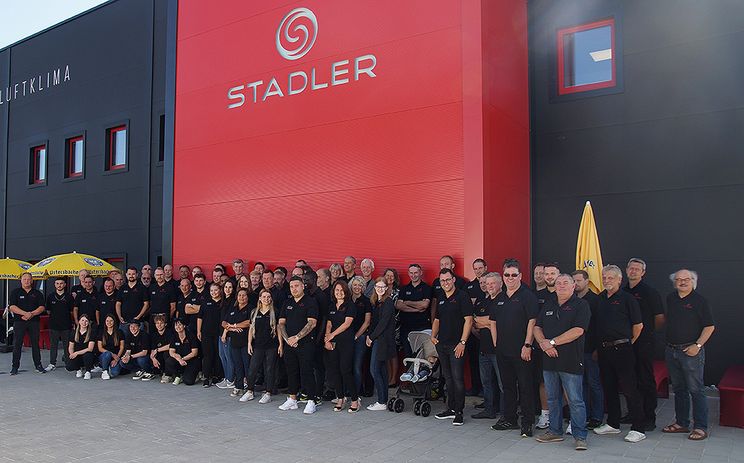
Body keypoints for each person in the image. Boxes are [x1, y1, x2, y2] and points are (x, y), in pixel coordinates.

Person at [533, 274, 591, 451]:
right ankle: (555, 431)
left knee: (575, 399)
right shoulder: (549, 304)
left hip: (570, 360)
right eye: (558, 283)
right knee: (552, 398)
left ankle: (580, 436)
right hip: (549, 360)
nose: (561, 285)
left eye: (566, 282)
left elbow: (578, 330)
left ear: (574, 286)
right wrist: (544, 343)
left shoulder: (581, 305)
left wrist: (552, 342)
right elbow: (537, 327)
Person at [592, 265, 646, 443]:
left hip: (623, 349)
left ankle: (638, 428)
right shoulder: (600, 299)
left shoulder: (627, 299)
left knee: (630, 389)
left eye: (611, 278)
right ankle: (613, 424)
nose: (607, 280)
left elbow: (638, 326)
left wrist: (628, 343)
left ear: (619, 280)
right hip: (604, 350)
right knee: (609, 387)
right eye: (604, 277)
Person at [662, 269, 715, 441]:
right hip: (672, 350)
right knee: (679, 389)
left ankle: (700, 427)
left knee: (696, 390)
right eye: (678, 279)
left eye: (686, 279)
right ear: (674, 282)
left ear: (693, 281)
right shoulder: (671, 298)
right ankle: (681, 423)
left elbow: (709, 327)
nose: (682, 282)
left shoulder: (700, 301)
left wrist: (697, 345)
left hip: (690, 352)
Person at [490, 260, 538, 437]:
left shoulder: (527, 296)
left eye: (513, 275)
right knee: (508, 387)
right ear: (503, 277)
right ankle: (509, 419)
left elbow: (532, 322)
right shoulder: (500, 297)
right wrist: (496, 344)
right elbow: (492, 322)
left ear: (520, 276)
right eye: (507, 275)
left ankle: (527, 423)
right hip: (503, 351)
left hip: (522, 351)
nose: (510, 278)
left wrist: (527, 345)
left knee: (525, 387)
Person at [622, 258, 665, 431]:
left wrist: (647, 334)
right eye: (631, 268)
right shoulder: (622, 291)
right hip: (625, 343)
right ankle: (633, 413)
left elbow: (659, 318)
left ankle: (649, 417)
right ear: (626, 270)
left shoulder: (649, 292)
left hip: (643, 343)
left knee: (645, 380)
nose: (633, 271)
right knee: (629, 380)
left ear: (643, 272)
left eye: (637, 269)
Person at [431, 268, 473, 426]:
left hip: (457, 345)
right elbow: (437, 320)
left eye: (448, 280)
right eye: (442, 281)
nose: (445, 283)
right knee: (447, 378)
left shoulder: (462, 297)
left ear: (453, 280)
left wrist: (462, 342)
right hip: (442, 345)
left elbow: (468, 321)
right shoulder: (441, 297)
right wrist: (433, 336)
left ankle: (459, 412)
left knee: (457, 379)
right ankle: (451, 408)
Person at [277, 276, 319, 414]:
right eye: (291, 286)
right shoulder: (287, 302)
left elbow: (312, 323)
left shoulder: (310, 302)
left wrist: (297, 337)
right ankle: (292, 399)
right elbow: (281, 323)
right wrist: (288, 339)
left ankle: (311, 401)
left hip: (306, 343)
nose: (294, 289)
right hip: (290, 344)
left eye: (296, 286)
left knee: (306, 372)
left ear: (303, 286)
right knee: (291, 371)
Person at [572, 270, 603, 429]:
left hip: (590, 349)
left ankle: (597, 417)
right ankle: (584, 415)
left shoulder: (595, 300)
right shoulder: (571, 300)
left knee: (594, 384)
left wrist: (598, 348)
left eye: (578, 280)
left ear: (587, 281)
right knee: (580, 385)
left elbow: (600, 326)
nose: (576, 284)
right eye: (574, 281)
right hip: (575, 351)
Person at [241, 289, 282, 403]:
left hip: (272, 346)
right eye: (264, 297)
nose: (266, 299)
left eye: (268, 297)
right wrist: (249, 343)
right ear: (260, 298)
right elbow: (251, 328)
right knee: (252, 369)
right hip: (258, 345)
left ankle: (268, 393)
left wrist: (280, 345)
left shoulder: (275, 311)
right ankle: (250, 391)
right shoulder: (254, 312)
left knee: (269, 369)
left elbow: (279, 329)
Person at [472, 272, 504, 420]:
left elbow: (499, 323)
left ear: (500, 284)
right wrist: (490, 322)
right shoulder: (484, 302)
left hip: (499, 350)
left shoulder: (503, 300)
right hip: (483, 348)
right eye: (487, 283)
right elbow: (476, 322)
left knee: (502, 383)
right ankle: (489, 410)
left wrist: (490, 322)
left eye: (493, 283)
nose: (489, 286)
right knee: (486, 382)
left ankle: (505, 413)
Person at [325, 280, 360, 412]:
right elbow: (328, 323)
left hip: (346, 342)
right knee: (335, 370)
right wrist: (327, 339)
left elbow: (347, 324)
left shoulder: (350, 305)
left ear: (346, 292)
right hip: (333, 342)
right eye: (337, 290)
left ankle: (355, 400)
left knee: (345, 370)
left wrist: (332, 335)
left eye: (341, 291)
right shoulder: (331, 306)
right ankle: (340, 398)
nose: (339, 293)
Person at [366, 277, 396, 411]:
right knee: (382, 370)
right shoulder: (376, 302)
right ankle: (383, 400)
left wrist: (371, 337)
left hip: (383, 340)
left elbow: (383, 323)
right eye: (378, 286)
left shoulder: (388, 302)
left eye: (383, 287)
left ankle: (381, 401)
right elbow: (373, 322)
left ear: (386, 288)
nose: (380, 289)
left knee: (374, 369)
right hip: (378, 339)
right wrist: (369, 336)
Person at [9, 272, 46, 375]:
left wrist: (31, 314)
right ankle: (15, 366)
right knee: (17, 344)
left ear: (32, 280)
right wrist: (25, 313)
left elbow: (42, 307)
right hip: (19, 321)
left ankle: (38, 365)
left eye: (29, 279)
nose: (27, 281)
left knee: (35, 344)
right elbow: (12, 306)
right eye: (24, 279)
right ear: (21, 280)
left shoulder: (37, 293)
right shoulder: (15, 292)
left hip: (34, 322)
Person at [396, 264, 432, 358]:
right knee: (408, 356)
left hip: (422, 327)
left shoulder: (426, 288)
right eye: (411, 273)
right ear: (408, 273)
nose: (413, 275)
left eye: (416, 272)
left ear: (421, 273)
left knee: (422, 356)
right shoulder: (404, 289)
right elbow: (399, 305)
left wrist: (407, 302)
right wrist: (417, 308)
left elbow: (425, 305)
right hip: (406, 328)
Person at [223, 288, 251, 397]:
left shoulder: (250, 308)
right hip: (234, 342)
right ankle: (238, 386)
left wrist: (234, 325)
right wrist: (230, 328)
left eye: (244, 295)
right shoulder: (233, 308)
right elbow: (224, 322)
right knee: (238, 365)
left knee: (247, 365)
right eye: (239, 295)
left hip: (246, 342)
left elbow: (249, 322)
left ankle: (249, 388)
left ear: (247, 297)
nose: (241, 297)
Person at [197, 283, 225, 388]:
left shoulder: (223, 302)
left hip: (219, 333)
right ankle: (206, 377)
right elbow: (200, 317)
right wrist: (199, 331)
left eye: (216, 290)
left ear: (220, 290)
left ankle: (216, 376)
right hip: (206, 333)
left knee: (218, 355)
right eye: (211, 290)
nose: (214, 292)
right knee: (208, 356)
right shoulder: (205, 302)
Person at [349, 276, 372, 397]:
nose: (357, 287)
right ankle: (349, 390)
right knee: (348, 366)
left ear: (363, 287)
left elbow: (367, 322)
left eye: (360, 285)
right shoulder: (347, 300)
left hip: (360, 337)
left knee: (357, 366)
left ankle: (356, 393)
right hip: (347, 337)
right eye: (355, 285)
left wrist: (357, 336)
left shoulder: (366, 301)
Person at [45, 277, 74, 372]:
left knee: (67, 346)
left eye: (61, 283)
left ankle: (68, 363)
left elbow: (72, 311)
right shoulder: (50, 296)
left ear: (65, 284)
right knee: (53, 345)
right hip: (54, 325)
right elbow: (48, 311)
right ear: (54, 285)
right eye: (57, 283)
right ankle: (52, 363)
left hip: (66, 325)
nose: (59, 285)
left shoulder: (69, 297)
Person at [215, 279, 237, 390]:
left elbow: (229, 319)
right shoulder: (224, 300)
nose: (227, 289)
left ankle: (230, 379)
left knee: (229, 357)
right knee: (222, 356)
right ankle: (226, 377)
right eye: (226, 287)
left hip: (227, 334)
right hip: (221, 332)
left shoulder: (233, 301)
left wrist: (225, 333)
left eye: (230, 287)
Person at [166, 318, 201, 385]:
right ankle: (178, 376)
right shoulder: (174, 336)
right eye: (176, 325)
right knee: (169, 361)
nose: (177, 327)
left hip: (191, 360)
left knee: (188, 382)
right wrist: (179, 359)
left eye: (180, 325)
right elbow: (171, 352)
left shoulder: (191, 336)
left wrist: (183, 359)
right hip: (180, 360)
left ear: (184, 326)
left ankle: (194, 374)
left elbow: (194, 353)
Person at [65, 313, 96, 380]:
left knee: (88, 355)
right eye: (82, 320)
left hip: (87, 354)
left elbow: (90, 349)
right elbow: (71, 347)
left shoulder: (91, 333)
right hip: (77, 355)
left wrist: (77, 353)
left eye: (86, 321)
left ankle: (88, 372)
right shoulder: (74, 332)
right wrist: (72, 354)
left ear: (89, 322)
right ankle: (78, 370)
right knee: (69, 366)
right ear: (79, 321)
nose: (84, 323)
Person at [97, 314, 125, 380]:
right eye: (107, 321)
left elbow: (122, 347)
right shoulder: (101, 332)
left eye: (111, 321)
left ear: (114, 321)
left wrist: (117, 358)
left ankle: (107, 367)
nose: (109, 323)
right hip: (104, 356)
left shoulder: (119, 332)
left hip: (116, 356)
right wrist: (112, 354)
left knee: (115, 373)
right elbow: (100, 348)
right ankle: (105, 371)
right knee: (108, 354)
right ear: (105, 322)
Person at [149, 314, 171, 378]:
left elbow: (171, 346)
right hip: (159, 355)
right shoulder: (154, 335)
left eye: (161, 323)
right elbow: (153, 349)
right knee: (152, 359)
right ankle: (160, 370)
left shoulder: (169, 332)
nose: (159, 325)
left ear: (165, 324)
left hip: (168, 354)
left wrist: (157, 350)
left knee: (166, 354)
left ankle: (167, 373)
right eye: (157, 323)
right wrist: (153, 359)